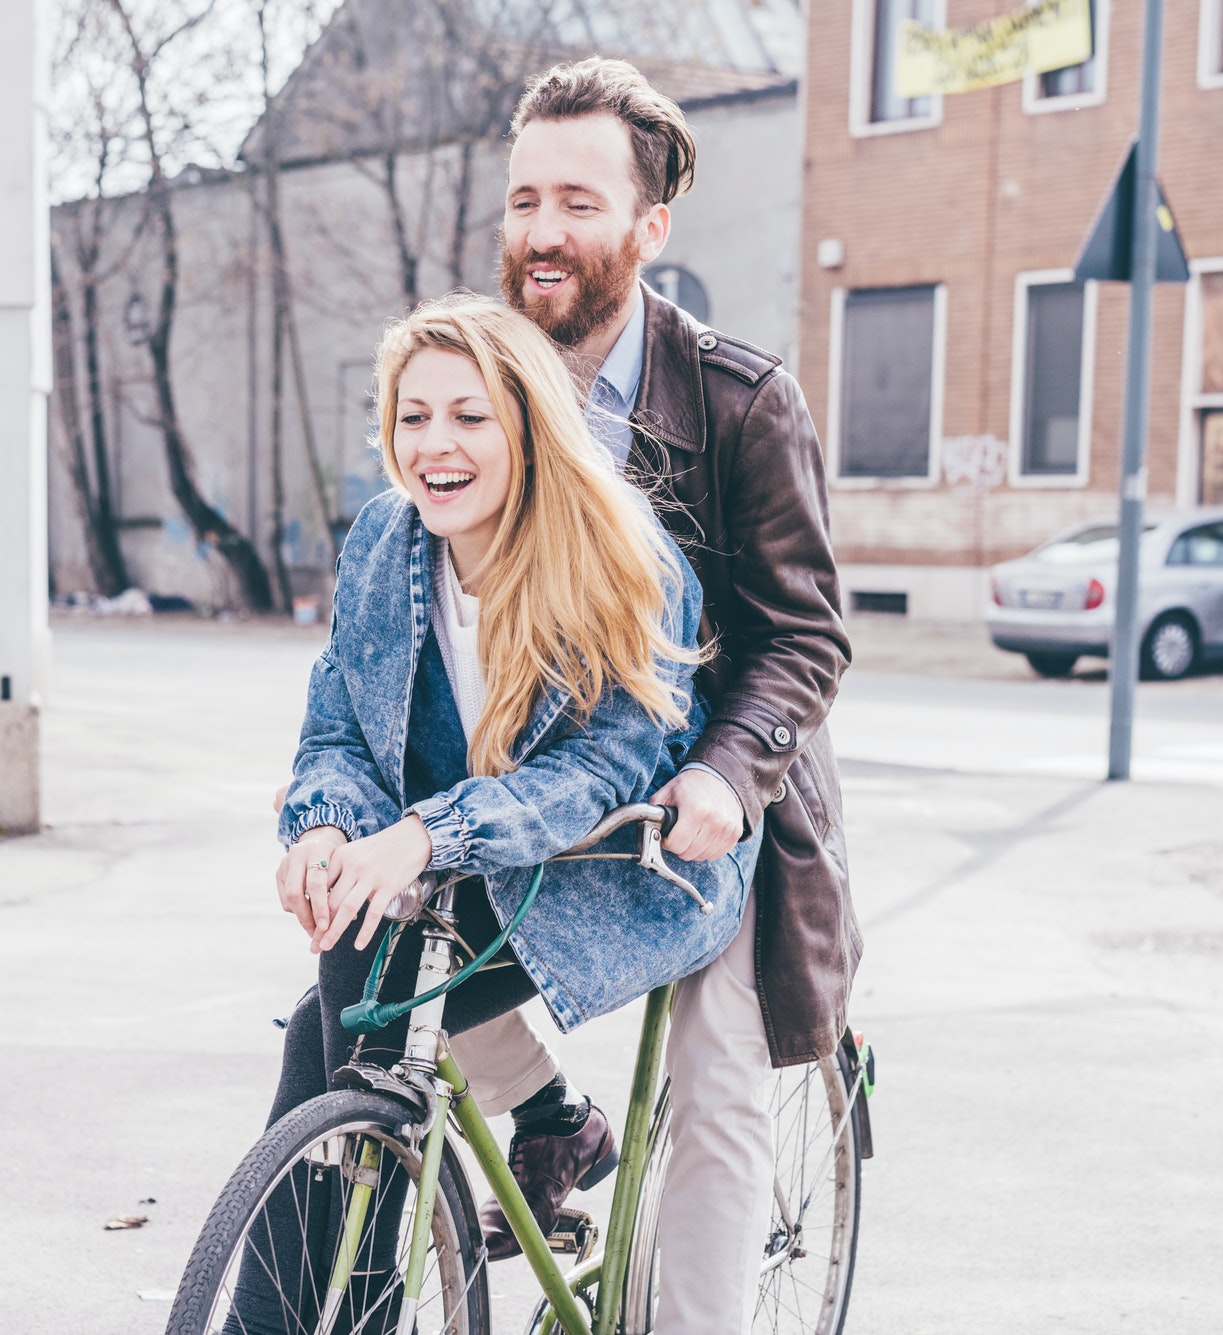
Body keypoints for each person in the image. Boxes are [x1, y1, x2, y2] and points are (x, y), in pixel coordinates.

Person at [233, 293, 762, 1332]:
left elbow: (611, 764)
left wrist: (430, 835)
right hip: (452, 856)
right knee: (354, 1008)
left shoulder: (620, 550)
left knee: (344, 1013)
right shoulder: (387, 540)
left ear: (526, 421)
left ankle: (331, 1311)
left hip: (611, 865)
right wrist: (327, 828)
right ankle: (334, 1290)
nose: (435, 444)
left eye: (468, 417)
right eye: (412, 416)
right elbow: (337, 720)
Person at [443, 58, 860, 1332]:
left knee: (719, 1070)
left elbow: (805, 635)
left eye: (576, 201)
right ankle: (552, 1120)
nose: (540, 233)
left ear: (646, 228)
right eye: (522, 202)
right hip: (547, 779)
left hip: (712, 806)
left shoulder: (740, 401)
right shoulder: (486, 389)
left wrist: (729, 780)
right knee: (381, 977)